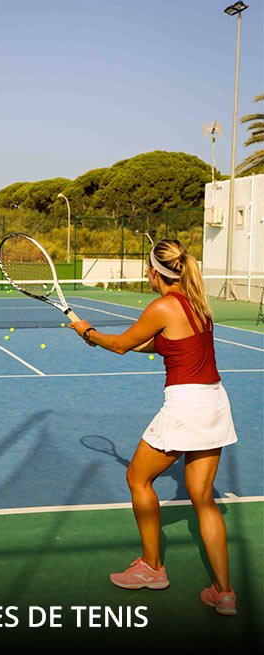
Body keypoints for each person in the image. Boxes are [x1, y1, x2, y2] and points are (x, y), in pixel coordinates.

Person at [69, 239, 238, 616]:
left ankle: (151, 568)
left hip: (186, 405)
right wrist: (107, 339)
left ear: (152, 272)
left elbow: (120, 345)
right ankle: (224, 593)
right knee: (203, 498)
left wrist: (87, 332)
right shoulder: (198, 304)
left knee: (137, 479)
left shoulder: (162, 305)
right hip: (215, 402)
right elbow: (164, 345)